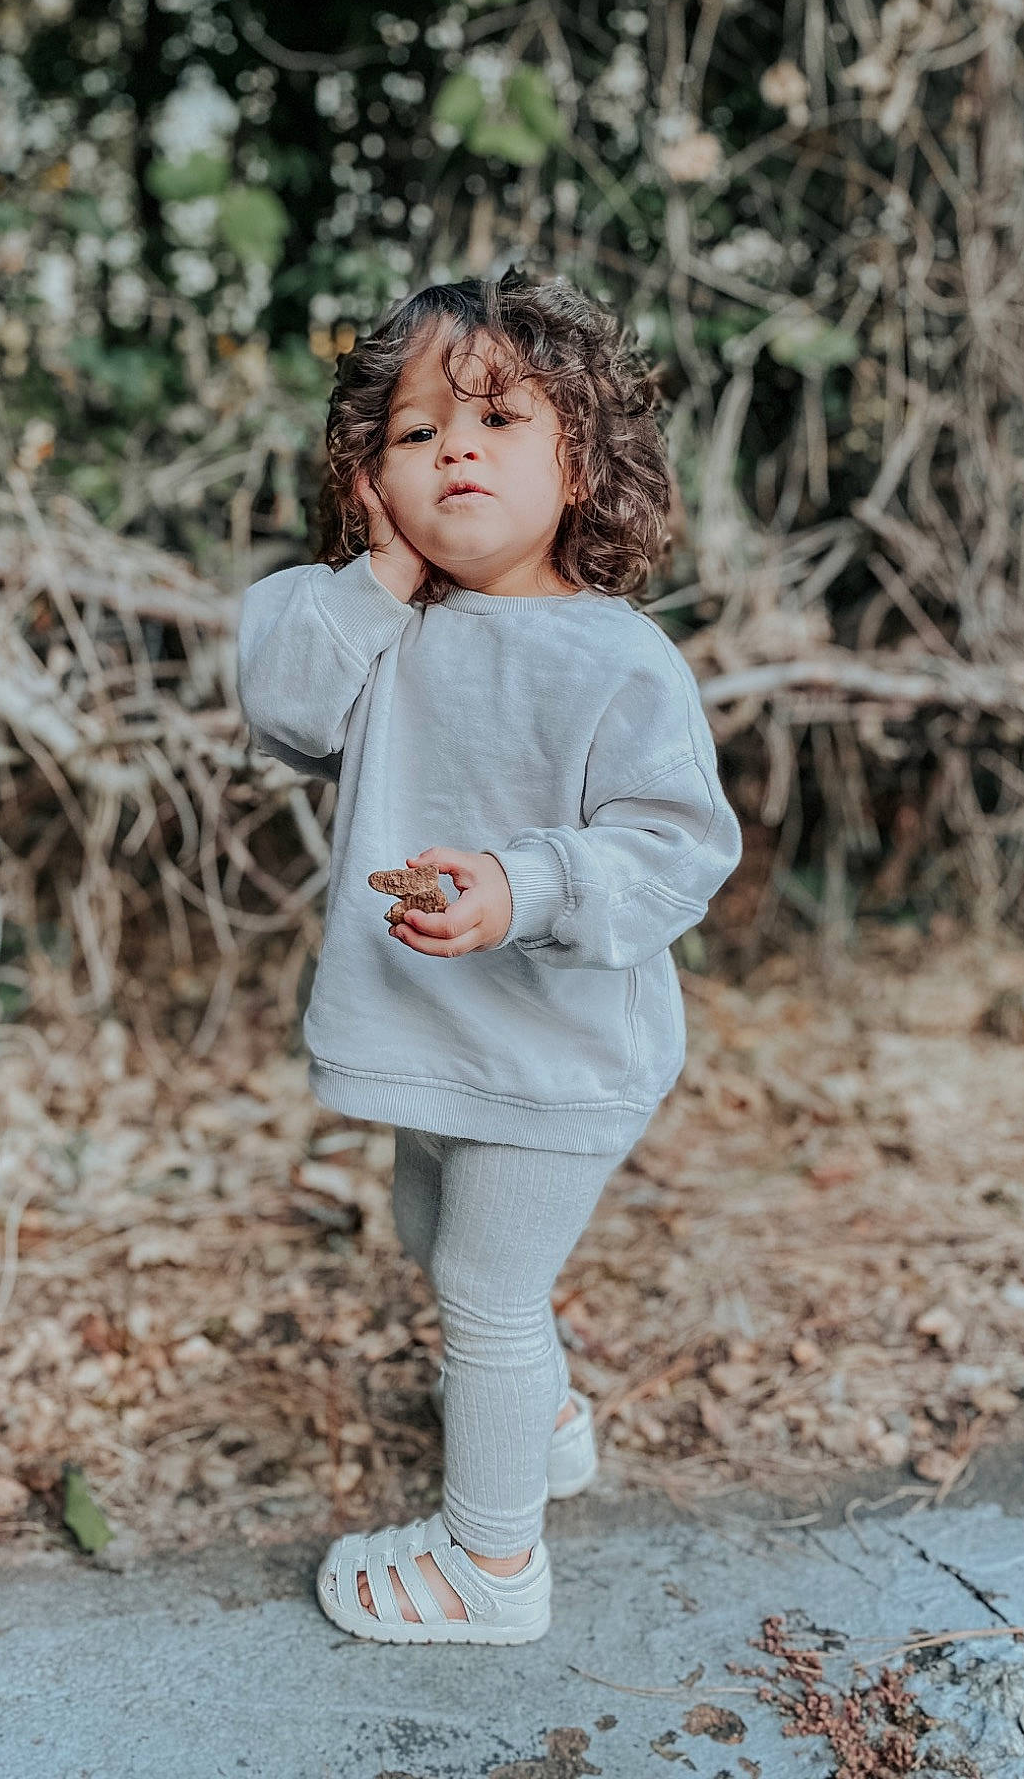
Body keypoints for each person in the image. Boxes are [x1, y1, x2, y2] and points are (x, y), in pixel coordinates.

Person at [235, 266, 742, 1644]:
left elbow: (677, 848)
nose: (453, 445)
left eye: (500, 417)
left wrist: (525, 887)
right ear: (367, 479)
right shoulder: (376, 629)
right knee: (432, 1234)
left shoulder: (615, 661)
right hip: (437, 1038)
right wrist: (384, 566)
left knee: (485, 1291)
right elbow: (283, 709)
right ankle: (546, 1420)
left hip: (560, 1054)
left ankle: (492, 1566)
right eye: (412, 434)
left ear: (582, 463)